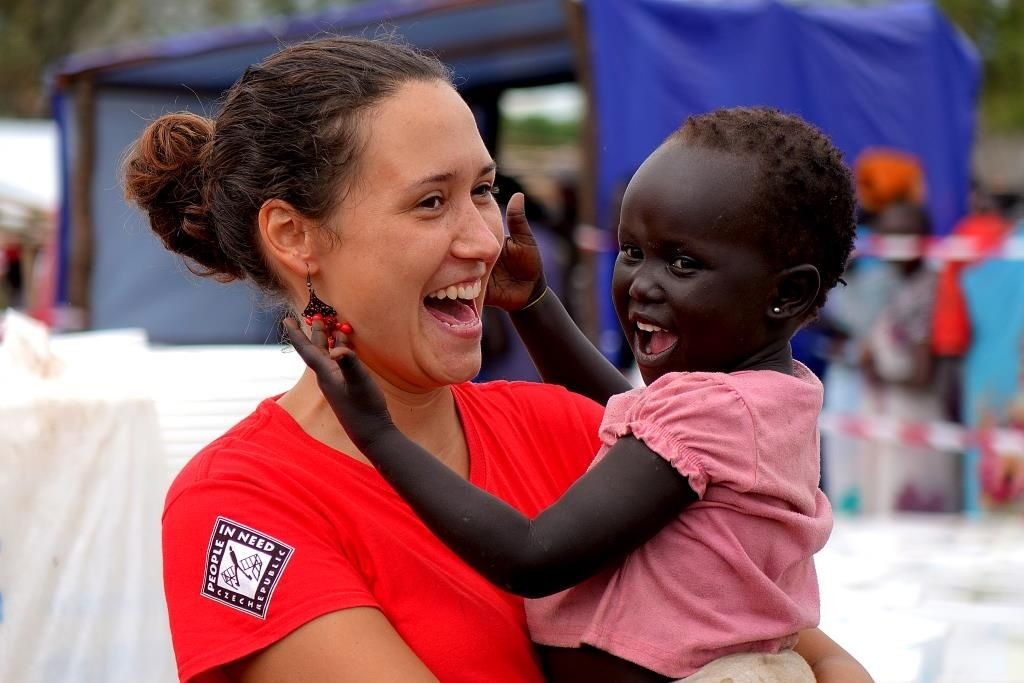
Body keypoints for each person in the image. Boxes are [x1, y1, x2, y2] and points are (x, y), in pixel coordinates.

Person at [123, 37, 870, 682]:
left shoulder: (571, 429)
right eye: (430, 202)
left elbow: (806, 652)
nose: (483, 239)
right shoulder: (242, 505)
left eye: (483, 189)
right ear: (294, 236)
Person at [285, 107, 864, 682]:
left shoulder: (718, 412)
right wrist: (536, 308)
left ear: (786, 295)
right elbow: (631, 416)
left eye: (684, 264)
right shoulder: (768, 398)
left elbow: (532, 556)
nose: (642, 283)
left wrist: (378, 431)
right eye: (632, 252)